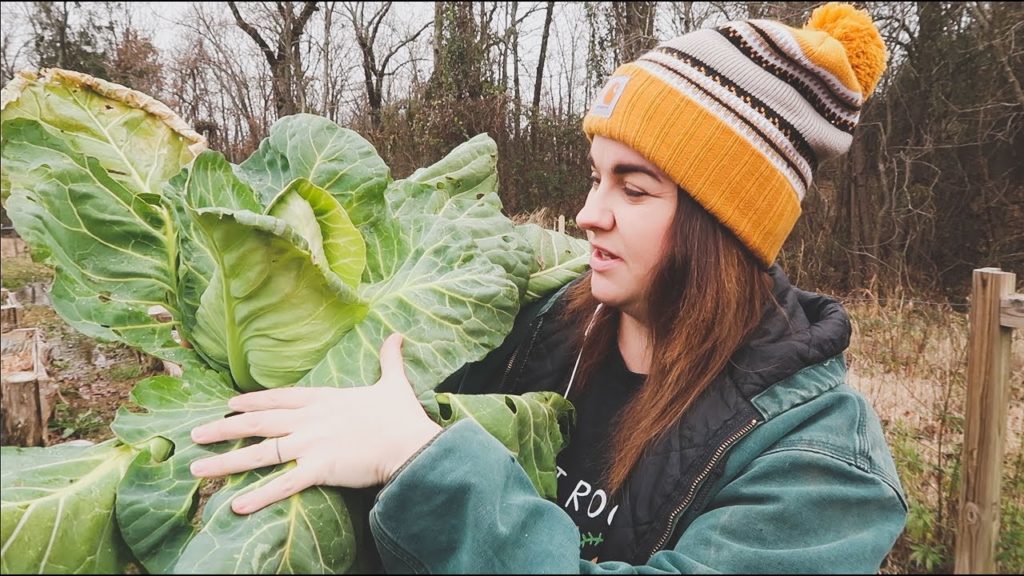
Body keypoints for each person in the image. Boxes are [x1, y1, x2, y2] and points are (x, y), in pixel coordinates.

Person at [189, 3, 908, 572]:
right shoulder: (537, 318)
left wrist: (420, 461)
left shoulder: (821, 463)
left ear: (722, 228)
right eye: (596, 176)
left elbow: (408, 451)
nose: (588, 213)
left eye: (634, 188)